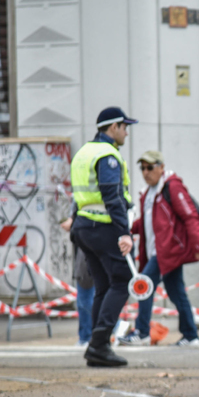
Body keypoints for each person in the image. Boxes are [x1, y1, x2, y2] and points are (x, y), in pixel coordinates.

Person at [70, 106, 138, 368]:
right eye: (125, 127)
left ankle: (96, 345)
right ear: (113, 127)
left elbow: (80, 195)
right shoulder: (107, 155)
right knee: (122, 281)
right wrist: (124, 233)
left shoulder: (83, 153)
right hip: (103, 226)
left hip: (84, 227)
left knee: (103, 285)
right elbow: (112, 196)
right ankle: (99, 344)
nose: (126, 133)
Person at [121, 150, 199, 347]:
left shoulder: (172, 186)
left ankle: (142, 332)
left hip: (167, 251)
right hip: (158, 252)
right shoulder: (148, 193)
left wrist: (198, 244)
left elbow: (190, 215)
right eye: (143, 168)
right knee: (176, 292)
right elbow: (147, 222)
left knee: (143, 285)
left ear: (161, 167)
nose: (146, 172)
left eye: (150, 167)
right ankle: (191, 336)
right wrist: (127, 228)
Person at [60, 216, 94, 347]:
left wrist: (72, 223)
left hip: (88, 248)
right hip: (91, 247)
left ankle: (87, 337)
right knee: (90, 298)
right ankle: (89, 336)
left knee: (85, 299)